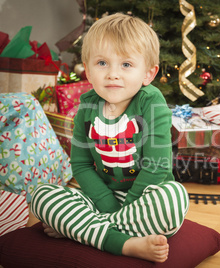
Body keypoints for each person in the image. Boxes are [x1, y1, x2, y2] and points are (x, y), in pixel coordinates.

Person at [31, 13, 189, 263]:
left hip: (147, 198)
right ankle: (125, 243)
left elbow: (157, 167)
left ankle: (84, 230)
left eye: (126, 64)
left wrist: (123, 209)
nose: (113, 74)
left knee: (174, 198)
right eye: (102, 63)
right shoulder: (86, 109)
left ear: (148, 74)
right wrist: (106, 203)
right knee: (41, 196)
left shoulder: (152, 103)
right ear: (88, 70)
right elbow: (81, 165)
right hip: (100, 196)